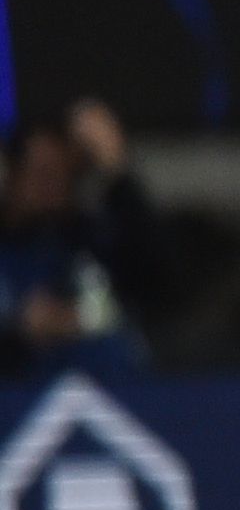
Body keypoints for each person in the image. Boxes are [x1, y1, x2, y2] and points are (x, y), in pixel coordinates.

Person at [2, 98, 165, 376]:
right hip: (20, 401)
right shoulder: (9, 251)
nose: (52, 185)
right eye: (41, 173)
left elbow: (158, 281)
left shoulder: (91, 238)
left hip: (116, 395)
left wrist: (118, 173)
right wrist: (19, 327)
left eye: (61, 173)